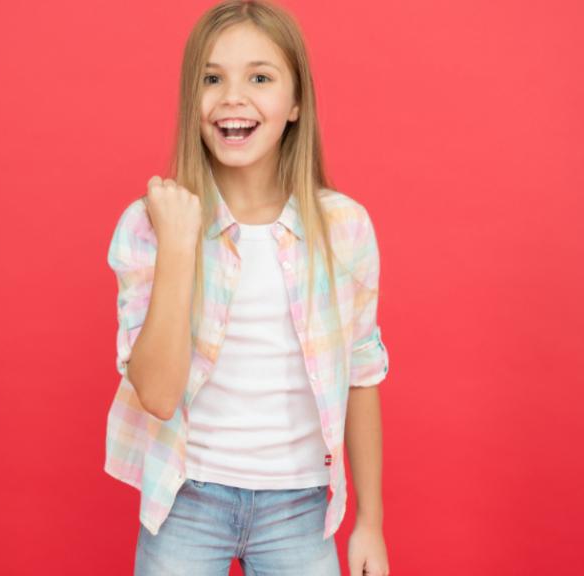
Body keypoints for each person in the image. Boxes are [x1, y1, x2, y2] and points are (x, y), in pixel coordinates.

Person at [104, 1, 391, 574]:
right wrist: (182, 242)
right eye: (213, 78)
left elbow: (363, 375)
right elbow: (157, 394)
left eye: (260, 77)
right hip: (187, 501)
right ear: (193, 99)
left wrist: (370, 525)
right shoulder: (149, 224)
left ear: (296, 103)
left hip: (300, 509)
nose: (233, 97)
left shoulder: (345, 228)